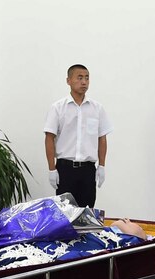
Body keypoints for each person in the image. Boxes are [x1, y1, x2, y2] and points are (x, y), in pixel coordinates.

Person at [44, 64, 113, 208]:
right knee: (65, 216)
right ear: (68, 80)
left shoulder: (97, 108)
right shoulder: (58, 108)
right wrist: (52, 169)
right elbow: (49, 138)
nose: (84, 82)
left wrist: (101, 165)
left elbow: (102, 138)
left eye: (87, 78)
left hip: (88, 170)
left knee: (86, 215)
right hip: (65, 169)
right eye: (79, 78)